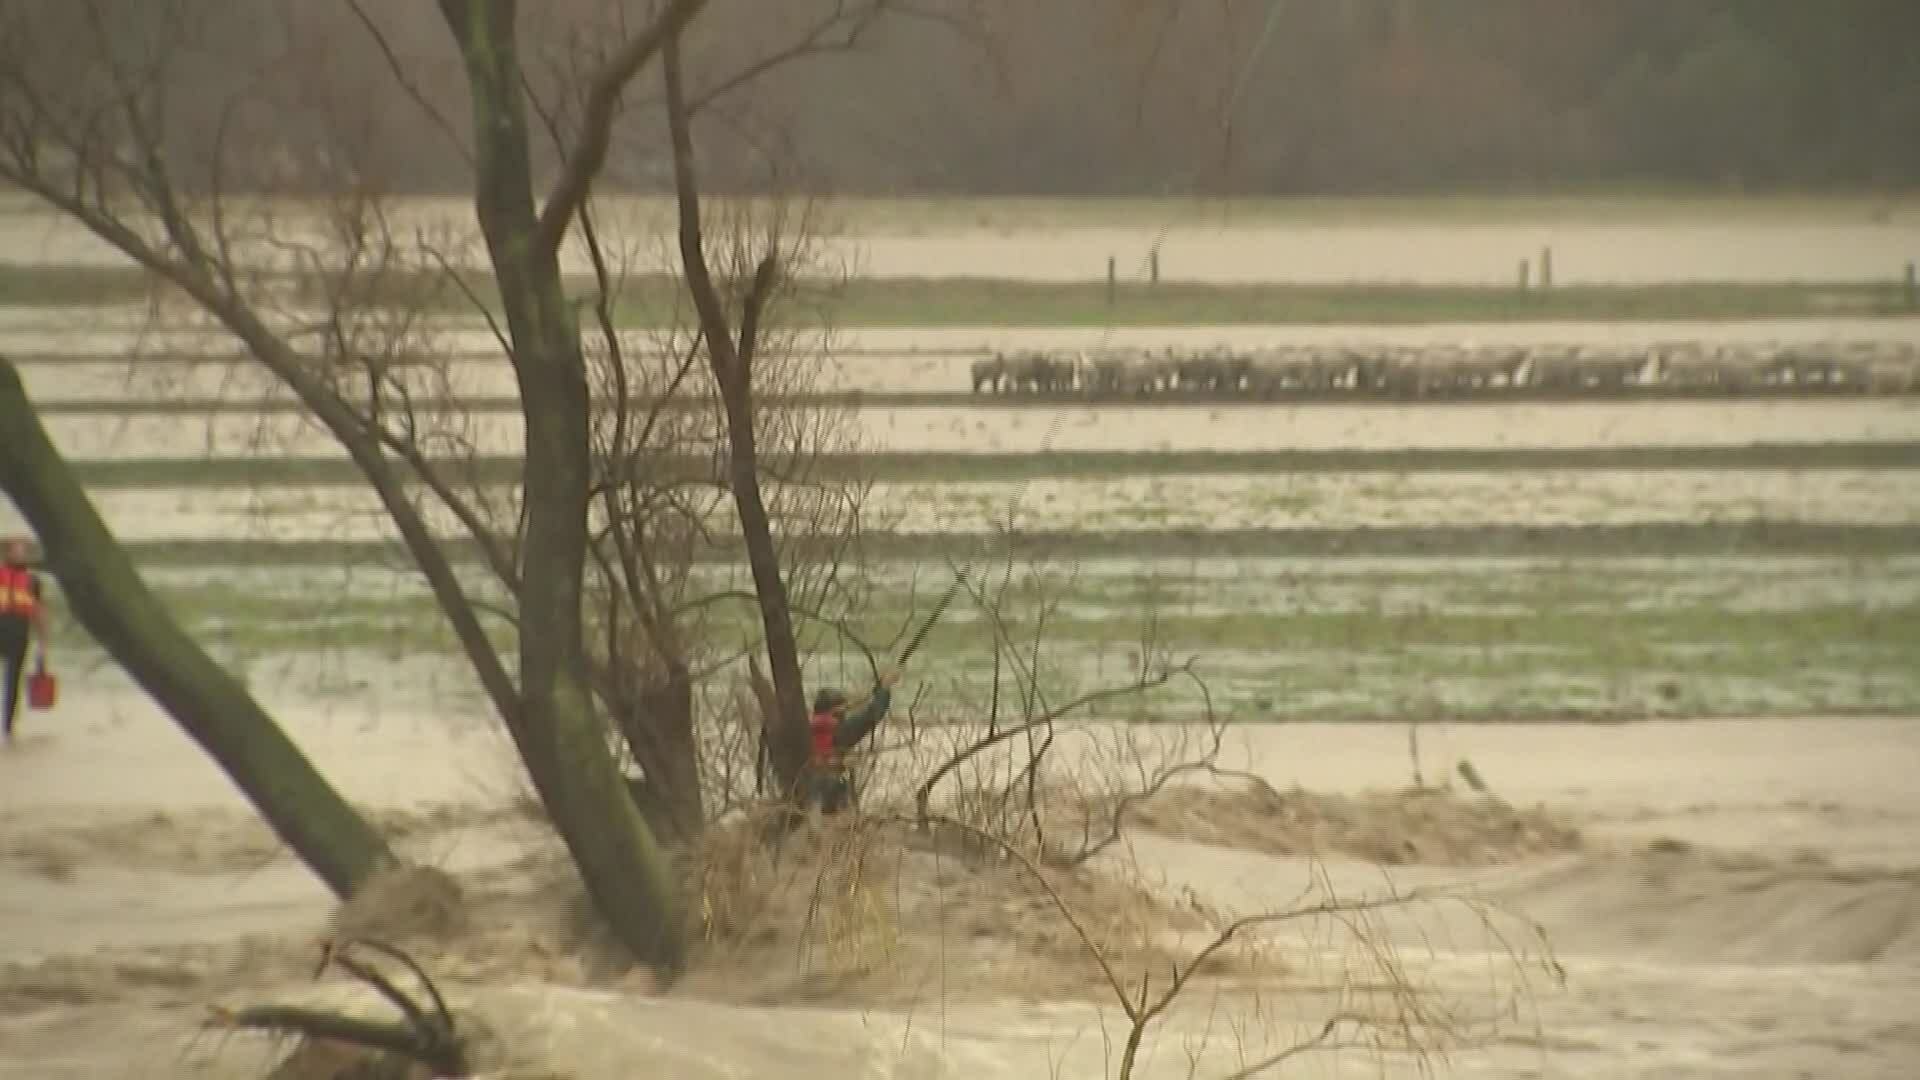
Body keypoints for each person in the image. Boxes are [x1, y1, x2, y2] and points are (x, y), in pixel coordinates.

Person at [805, 667, 901, 814]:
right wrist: (884, 689)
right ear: (835, 709)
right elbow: (872, 714)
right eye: (842, 707)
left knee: (814, 821)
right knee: (838, 822)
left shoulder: (807, 726)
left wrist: (878, 688)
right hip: (833, 787)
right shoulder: (840, 729)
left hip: (809, 787)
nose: (845, 711)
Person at [1, 538, 49, 743]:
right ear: (6, 554)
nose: (21, 556)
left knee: (13, 681)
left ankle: (8, 727)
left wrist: (43, 643)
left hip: (19, 635)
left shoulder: (33, 582)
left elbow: (39, 612)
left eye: (24, 552)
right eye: (17, 551)